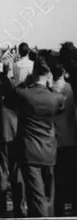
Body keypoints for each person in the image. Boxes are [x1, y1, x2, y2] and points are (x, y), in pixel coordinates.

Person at [0, 57, 65, 218]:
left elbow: (9, 102)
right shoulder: (56, 98)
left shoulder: (23, 94)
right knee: (48, 195)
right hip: (49, 148)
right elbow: (60, 107)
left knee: (36, 194)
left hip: (29, 149)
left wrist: (25, 82)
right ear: (48, 74)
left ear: (33, 72)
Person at [52, 63, 77, 218]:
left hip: (55, 138)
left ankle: (58, 207)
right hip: (70, 136)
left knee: (57, 176)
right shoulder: (68, 87)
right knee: (70, 174)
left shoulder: (50, 89)